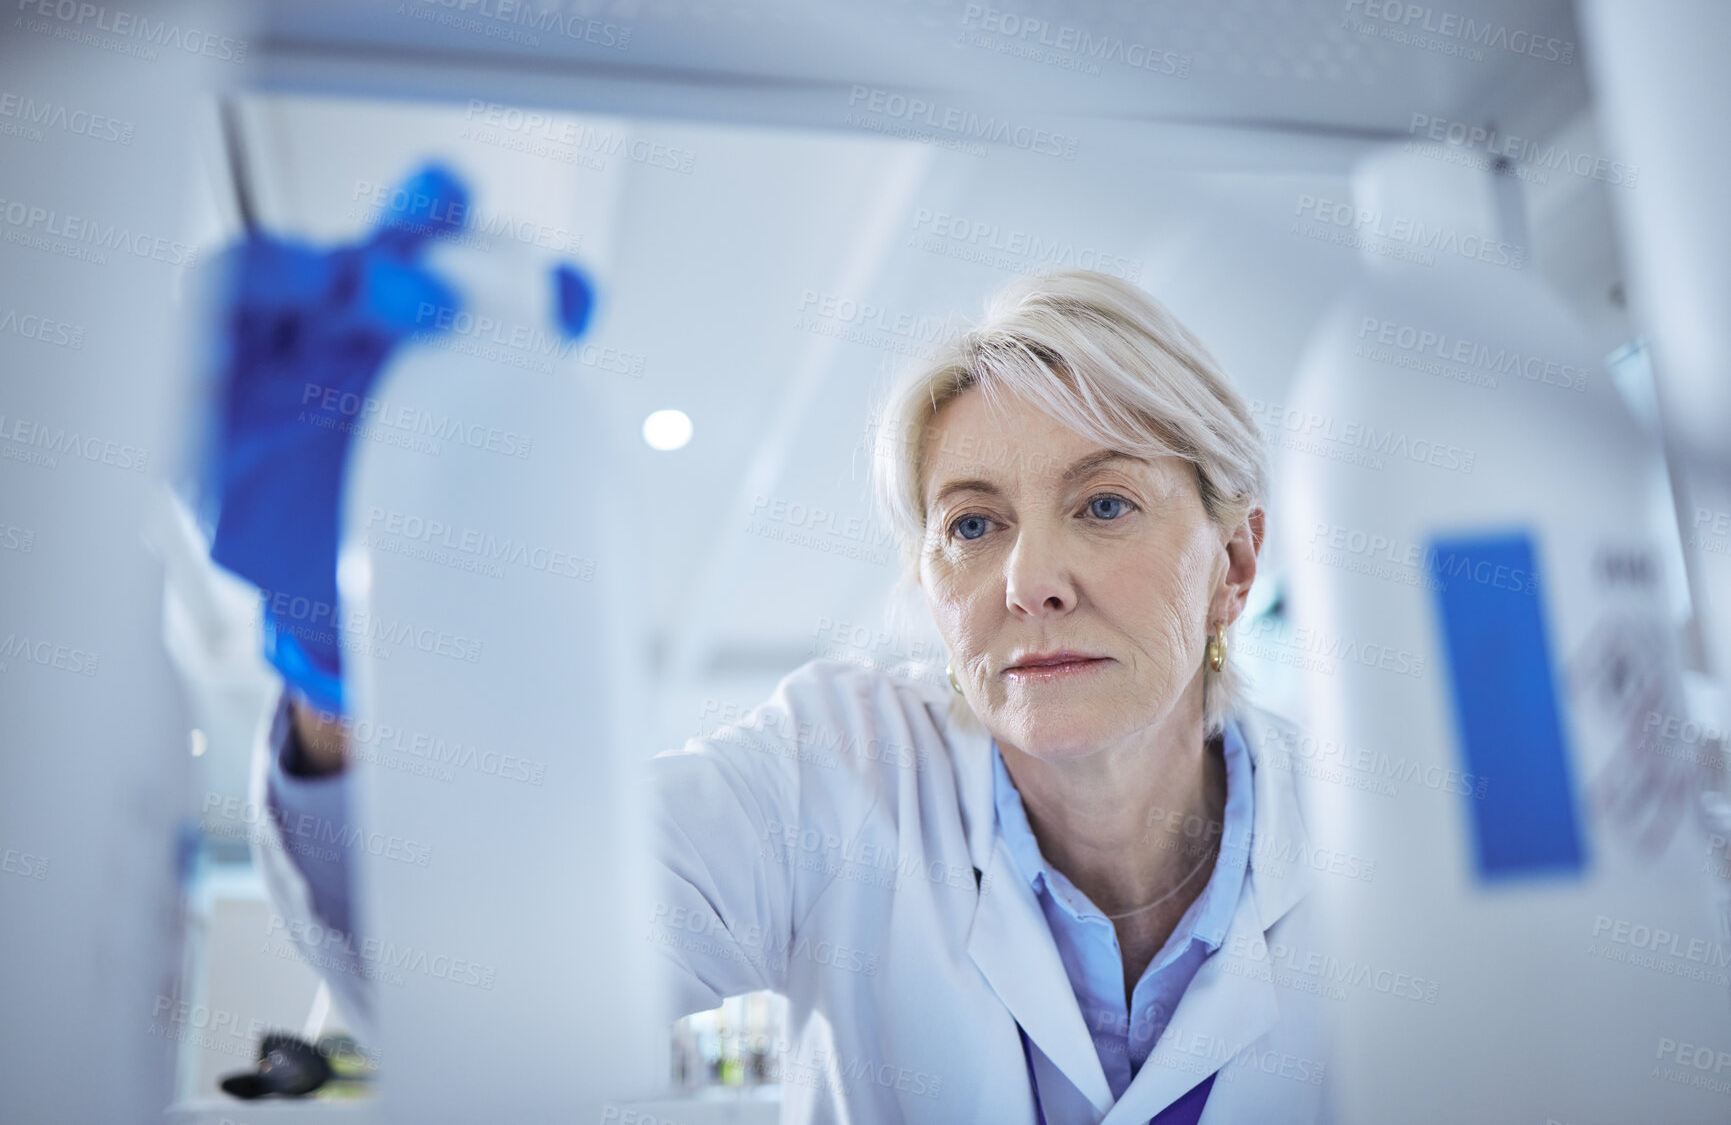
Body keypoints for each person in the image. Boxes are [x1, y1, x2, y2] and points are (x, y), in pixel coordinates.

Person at [254, 268, 1332, 1123]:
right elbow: (491, 980)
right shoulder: (834, 773)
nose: (1028, 580)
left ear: (1235, 564)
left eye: (1103, 504)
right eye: (972, 523)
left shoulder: (1365, 840)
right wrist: (348, 666)